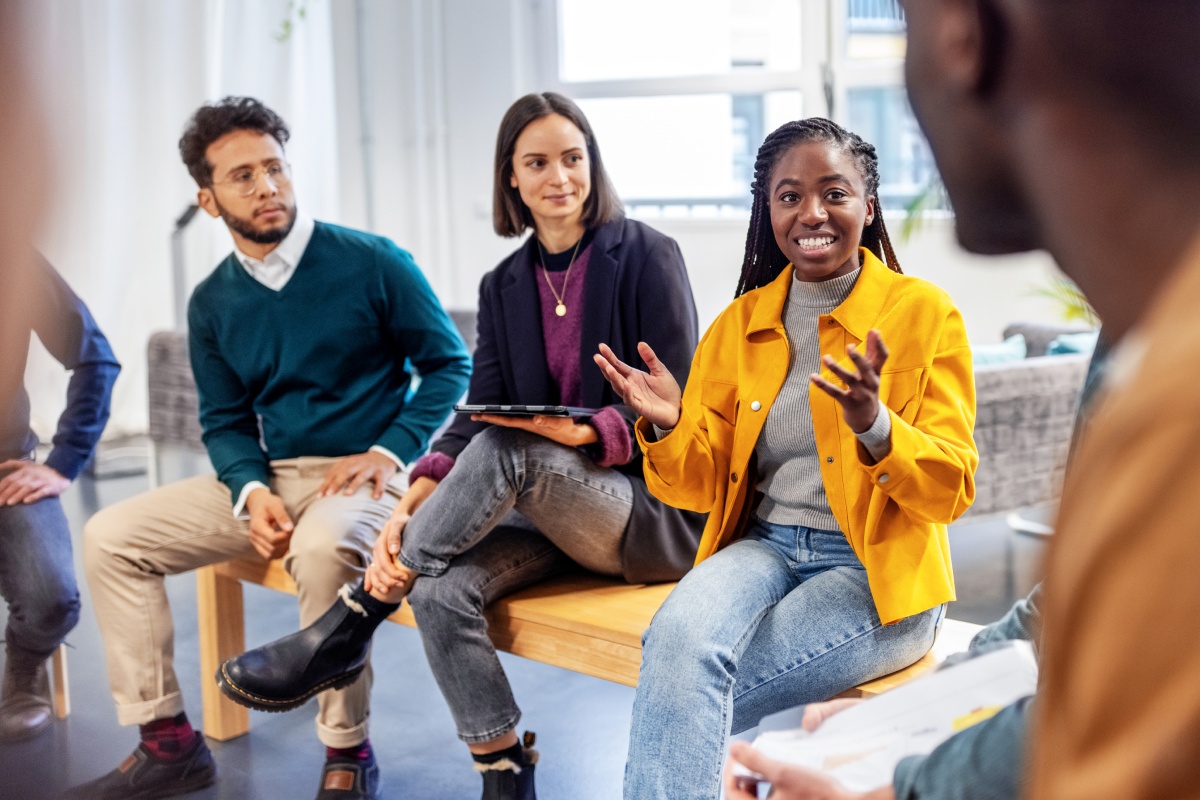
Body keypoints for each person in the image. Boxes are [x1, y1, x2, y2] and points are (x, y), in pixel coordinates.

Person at [722, 0, 1200, 795]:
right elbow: (1076, 621)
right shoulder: (1141, 344)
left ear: (963, 38)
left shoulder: (1175, 418)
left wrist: (903, 789)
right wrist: (914, 719)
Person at [216, 91, 705, 800]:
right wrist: (410, 501)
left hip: (641, 512)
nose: (559, 176)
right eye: (537, 162)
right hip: (545, 512)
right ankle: (503, 773)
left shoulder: (647, 256)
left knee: (516, 452)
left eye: (573, 158)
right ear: (512, 178)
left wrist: (588, 430)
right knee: (442, 586)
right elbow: (475, 413)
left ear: (593, 164)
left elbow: (681, 409)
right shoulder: (504, 284)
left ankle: (352, 621)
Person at [63, 97, 471, 800]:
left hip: (365, 478)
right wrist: (249, 493)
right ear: (209, 198)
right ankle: (168, 744)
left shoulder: (373, 262)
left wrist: (391, 448)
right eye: (243, 176)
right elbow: (223, 420)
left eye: (275, 168)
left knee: (320, 553)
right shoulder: (212, 301)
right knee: (109, 535)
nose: (268, 187)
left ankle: (347, 750)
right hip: (276, 477)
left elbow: (449, 364)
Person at [595, 118, 978, 800]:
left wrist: (877, 426)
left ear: (868, 203)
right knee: (678, 642)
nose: (812, 213)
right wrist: (667, 425)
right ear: (766, 211)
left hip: (875, 572)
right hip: (765, 546)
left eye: (834, 192)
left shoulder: (925, 314)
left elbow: (951, 488)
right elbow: (698, 486)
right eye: (789, 196)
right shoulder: (741, 324)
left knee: (690, 685)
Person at [0, 255, 119, 742]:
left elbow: (95, 358)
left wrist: (63, 460)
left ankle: (23, 670)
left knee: (52, 598)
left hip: (5, 467)